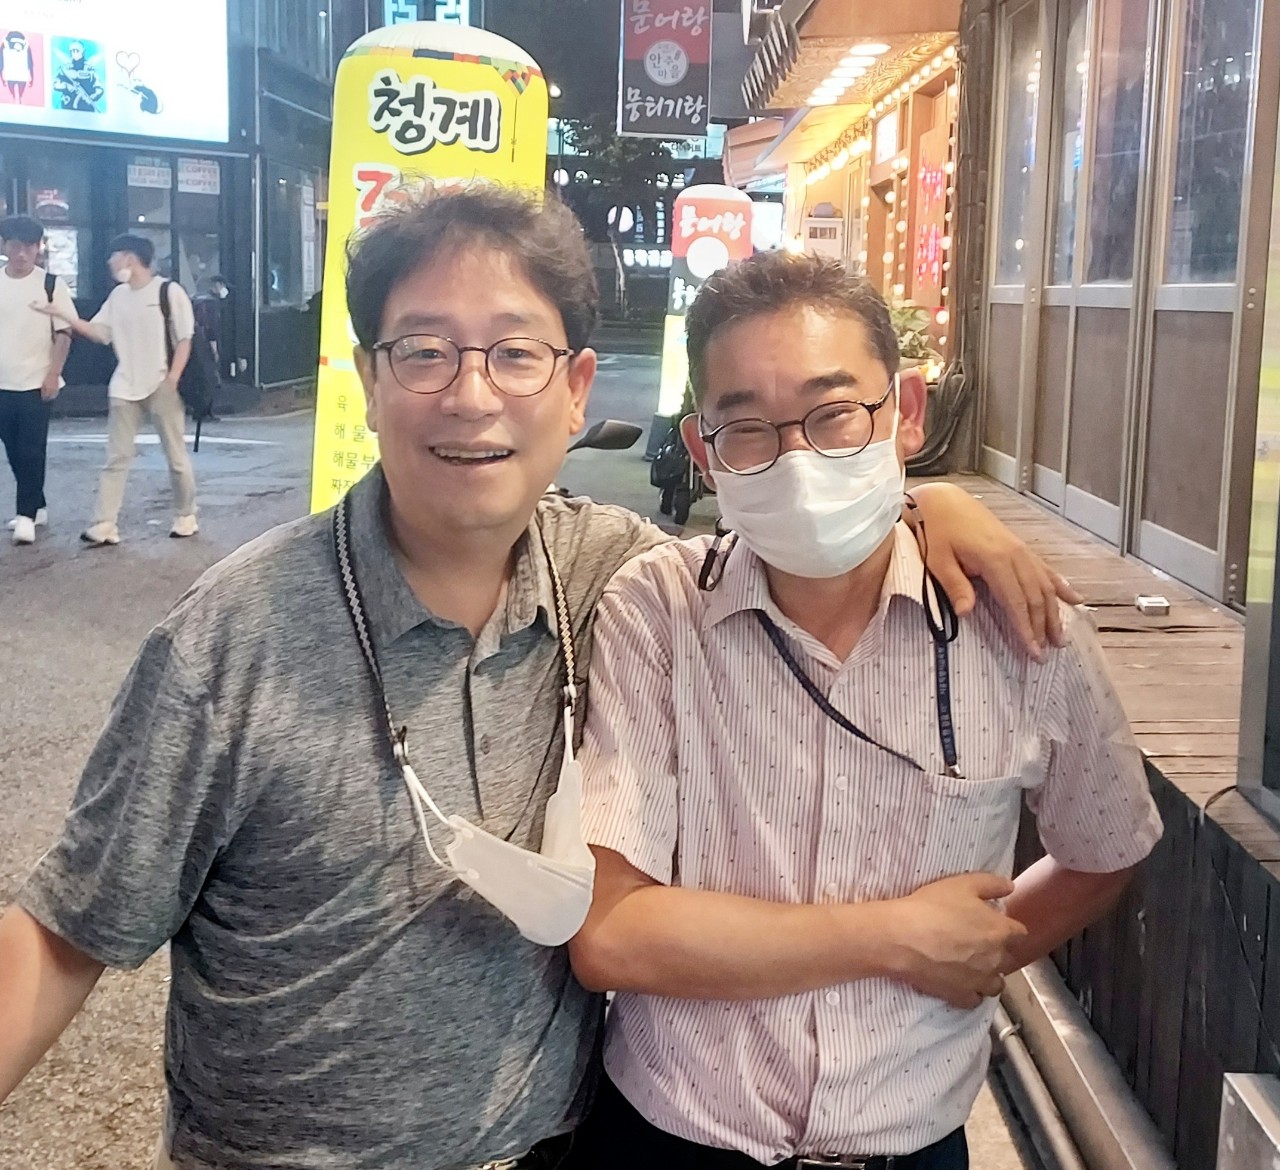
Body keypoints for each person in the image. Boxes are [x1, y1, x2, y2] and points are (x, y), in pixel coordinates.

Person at [0, 186, 1076, 1170]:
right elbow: (62, 934)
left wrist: (923, 503)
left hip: (554, 1151)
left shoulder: (622, 578)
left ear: (573, 390)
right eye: (423, 352)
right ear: (369, 381)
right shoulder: (232, 640)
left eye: (514, 354)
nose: (471, 397)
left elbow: (789, 532)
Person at [567, 251, 1163, 1170]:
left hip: (910, 1142)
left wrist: (978, 953)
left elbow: (1105, 846)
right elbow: (612, 934)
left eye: (835, 412)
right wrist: (900, 941)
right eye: (748, 428)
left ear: (905, 411)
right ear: (704, 454)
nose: (798, 459)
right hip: (671, 1134)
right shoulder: (658, 609)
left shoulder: (1018, 624)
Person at [36, 234, 198, 545]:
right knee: (116, 458)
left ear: (130, 258)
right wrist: (63, 315)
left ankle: (186, 514)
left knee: (176, 456)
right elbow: (100, 333)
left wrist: (173, 378)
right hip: (124, 385)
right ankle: (104, 524)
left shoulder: (168, 291)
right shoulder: (118, 296)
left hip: (162, 384)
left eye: (114, 256)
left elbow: (184, 338)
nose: (110, 262)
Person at [0, 215, 74, 545]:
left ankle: (25, 515)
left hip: (36, 380)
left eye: (29, 247)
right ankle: (37, 503)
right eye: (16, 246)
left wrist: (53, 373)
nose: (22, 254)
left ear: (38, 248)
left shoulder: (51, 285)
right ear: (4, 246)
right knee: (13, 448)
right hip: (2, 380)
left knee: (31, 449)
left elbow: (64, 333)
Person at [53, 40, 103, 112]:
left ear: (83, 52)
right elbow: (55, 84)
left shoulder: (89, 69)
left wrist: (92, 97)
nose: (74, 53)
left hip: (87, 109)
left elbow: (99, 88)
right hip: (67, 107)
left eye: (77, 51)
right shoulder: (65, 68)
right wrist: (67, 86)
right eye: (72, 51)